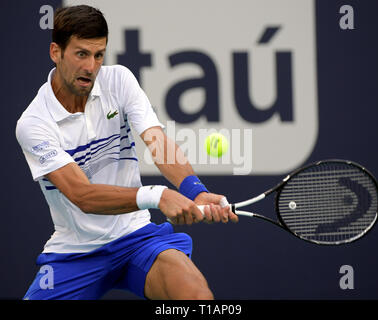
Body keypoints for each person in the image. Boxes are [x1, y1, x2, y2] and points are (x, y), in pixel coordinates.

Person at [16, 5, 238, 300]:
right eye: (81, 54)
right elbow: (82, 195)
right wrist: (158, 196)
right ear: (55, 52)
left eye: (99, 55)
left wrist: (193, 189)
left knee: (195, 295)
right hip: (74, 254)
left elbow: (156, 141)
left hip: (137, 238)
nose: (91, 67)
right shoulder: (34, 123)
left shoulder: (119, 80)